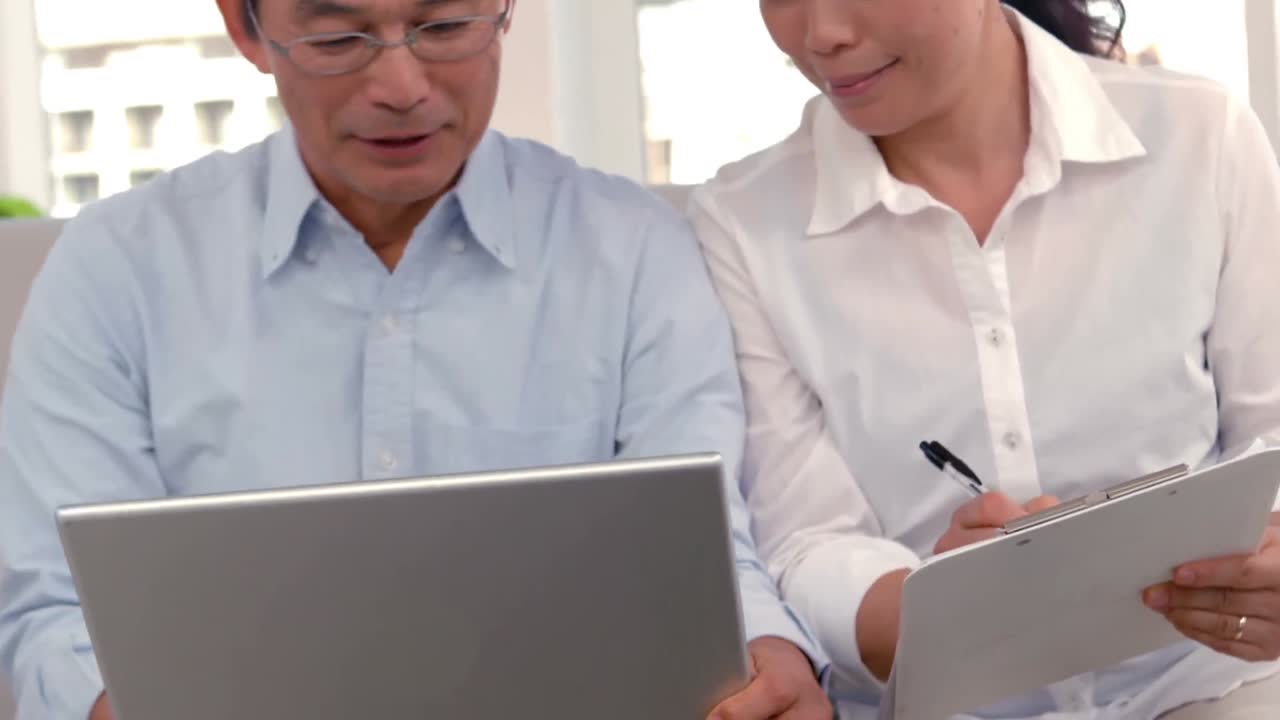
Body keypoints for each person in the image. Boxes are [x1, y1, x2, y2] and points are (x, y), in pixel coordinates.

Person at [0, 2, 833, 719]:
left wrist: (769, 657)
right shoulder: (118, 265)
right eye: (337, 38)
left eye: (445, 25)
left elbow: (708, 553)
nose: (401, 87)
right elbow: (56, 607)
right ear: (245, 26)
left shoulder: (632, 249)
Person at [691, 0, 1280, 718]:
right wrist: (943, 609)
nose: (820, 36)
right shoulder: (744, 221)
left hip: (1213, 685)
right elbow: (804, 540)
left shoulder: (1201, 136)